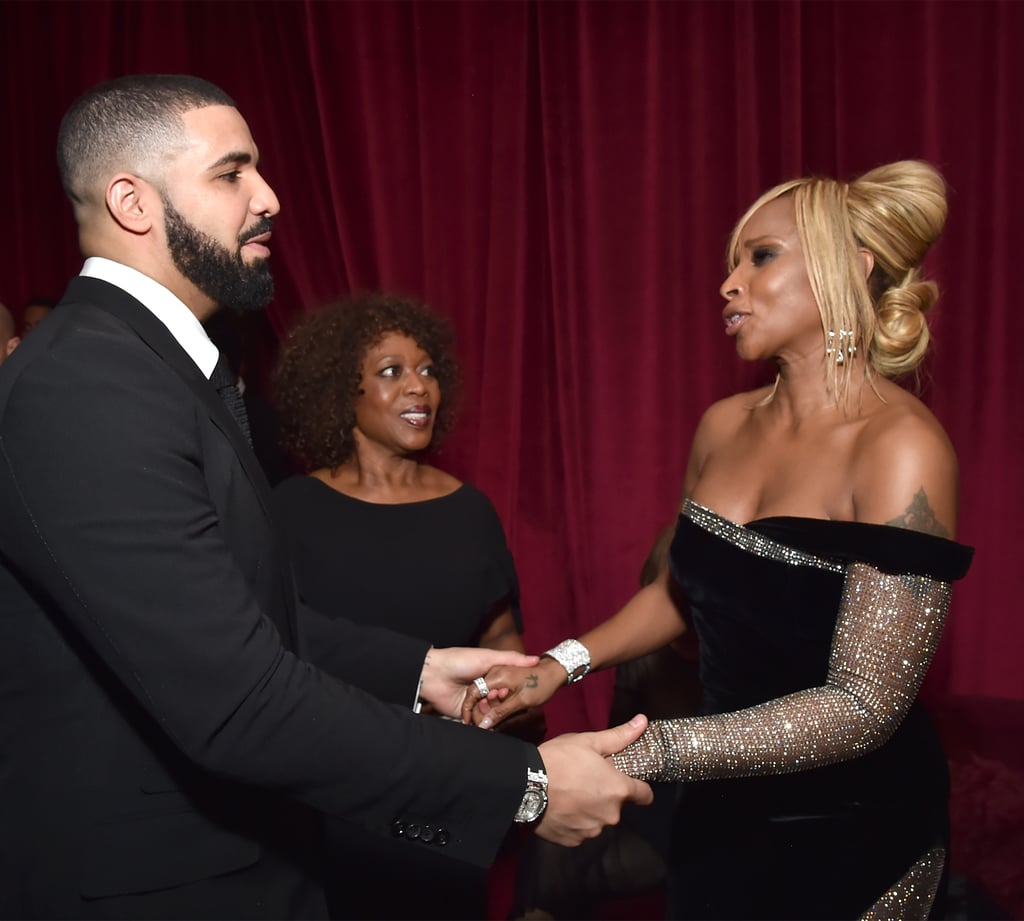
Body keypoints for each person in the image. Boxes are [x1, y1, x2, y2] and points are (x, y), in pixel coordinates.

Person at [0, 74, 652, 920]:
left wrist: (419, 670)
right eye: (232, 174)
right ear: (133, 200)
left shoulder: (161, 367)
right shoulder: (88, 382)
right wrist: (525, 786)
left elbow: (235, 617)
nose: (269, 197)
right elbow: (236, 698)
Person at [467, 160, 975, 920]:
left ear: (852, 267)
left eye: (760, 255)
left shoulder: (901, 445)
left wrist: (651, 751)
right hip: (716, 817)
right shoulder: (723, 425)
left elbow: (864, 705)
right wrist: (556, 665)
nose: (728, 284)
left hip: (854, 831)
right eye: (730, 263)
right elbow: (679, 591)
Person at [271, 292, 546, 918]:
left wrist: (510, 698)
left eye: (427, 370)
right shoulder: (291, 510)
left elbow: (502, 637)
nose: (419, 387)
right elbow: (276, 653)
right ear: (345, 391)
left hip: (444, 799)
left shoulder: (467, 510)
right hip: (328, 801)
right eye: (391, 372)